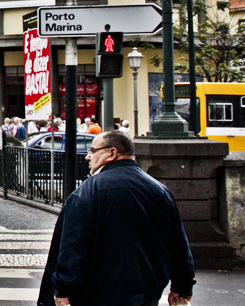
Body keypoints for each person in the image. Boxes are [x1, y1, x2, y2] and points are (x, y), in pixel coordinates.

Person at [38, 131, 194, 306]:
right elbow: (178, 244)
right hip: (146, 291)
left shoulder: (88, 191)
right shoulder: (160, 191)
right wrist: (183, 285)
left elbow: (73, 245)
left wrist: (63, 288)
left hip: (98, 292)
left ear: (112, 153)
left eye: (92, 151)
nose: (88, 157)